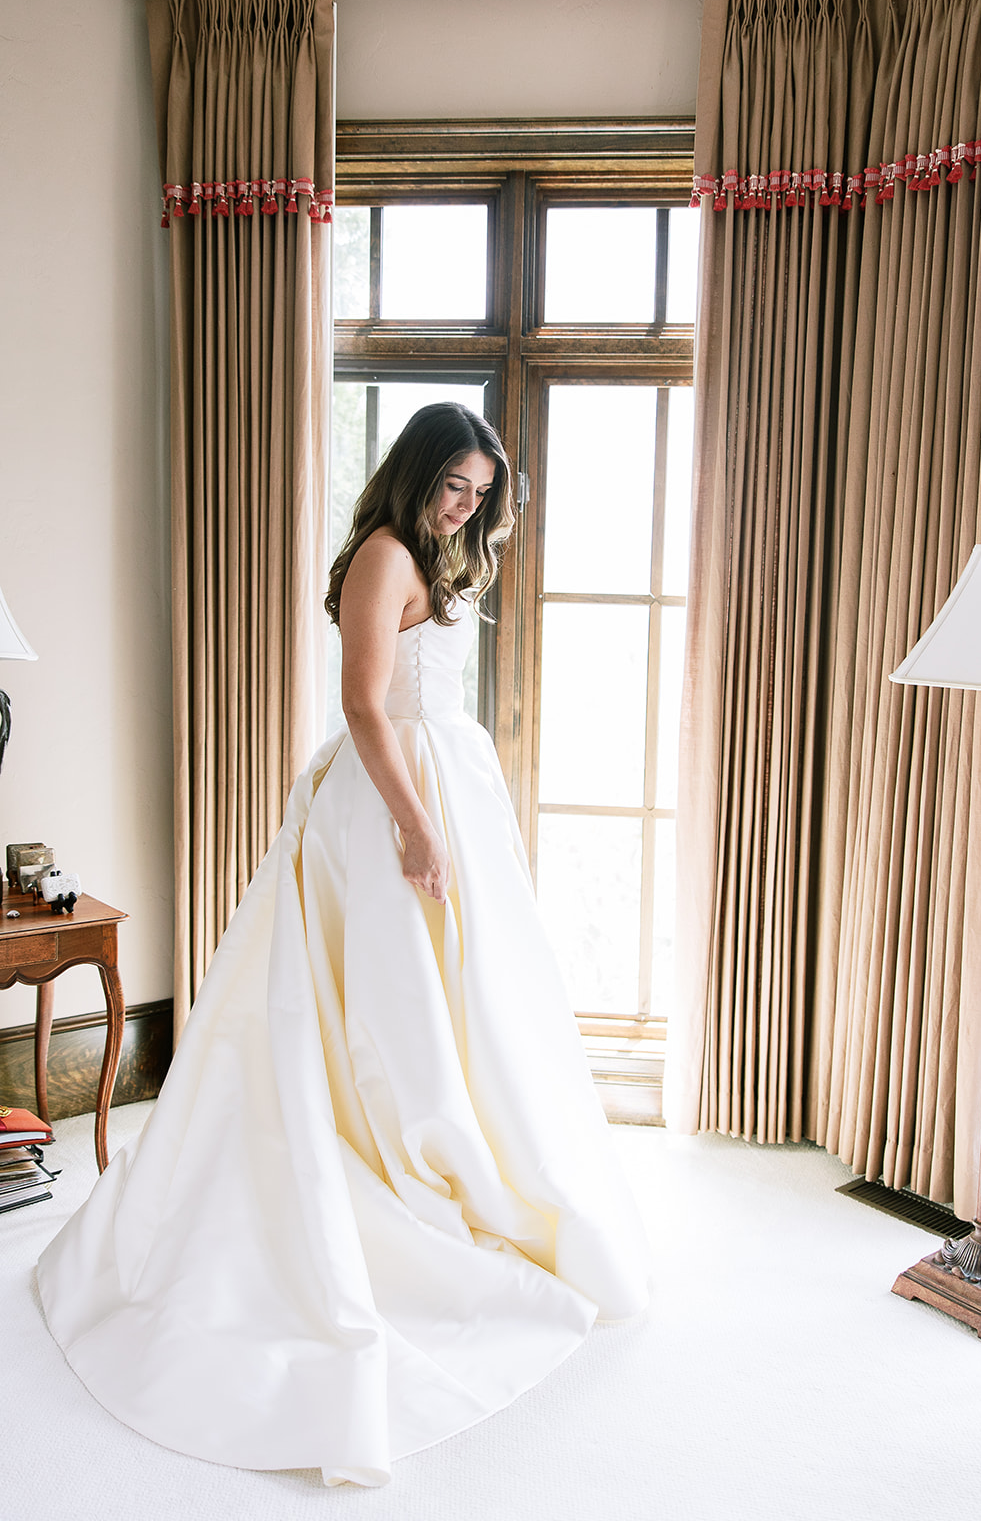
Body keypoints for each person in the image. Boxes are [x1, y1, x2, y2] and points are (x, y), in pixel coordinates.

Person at [37, 402, 650, 1488]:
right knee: (386, 1004)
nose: (464, 505)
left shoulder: (434, 554)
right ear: (413, 473)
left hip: (444, 790)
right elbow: (365, 705)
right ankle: (383, 1163)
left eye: (477, 491)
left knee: (464, 1008)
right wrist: (416, 825)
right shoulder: (379, 553)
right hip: (389, 805)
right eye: (451, 485)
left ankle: (454, 1162)